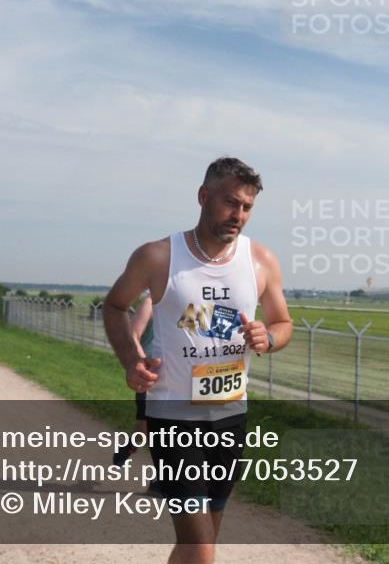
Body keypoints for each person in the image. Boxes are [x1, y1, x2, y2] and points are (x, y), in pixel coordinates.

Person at [103, 157, 292, 564]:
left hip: (230, 418)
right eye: (230, 203)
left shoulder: (260, 261)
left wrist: (269, 336)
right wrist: (131, 359)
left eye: (246, 207)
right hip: (173, 419)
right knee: (200, 548)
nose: (238, 215)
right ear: (203, 197)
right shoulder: (157, 257)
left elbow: (282, 322)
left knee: (201, 542)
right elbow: (116, 305)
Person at [112, 295, 154, 468]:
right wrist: (141, 361)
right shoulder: (150, 302)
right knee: (145, 429)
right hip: (150, 375)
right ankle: (130, 446)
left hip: (179, 377)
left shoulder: (189, 301)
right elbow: (133, 334)